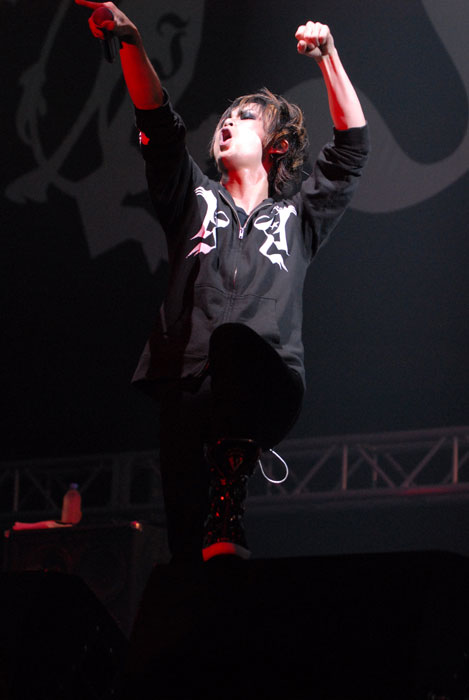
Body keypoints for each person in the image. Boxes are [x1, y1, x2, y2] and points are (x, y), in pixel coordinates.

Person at [75, 1, 369, 564]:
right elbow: (158, 123)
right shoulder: (192, 200)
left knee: (233, 341)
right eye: (225, 118)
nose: (228, 122)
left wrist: (329, 57)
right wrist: (132, 41)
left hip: (267, 382)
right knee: (189, 550)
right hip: (187, 385)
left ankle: (230, 498)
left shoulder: (298, 218)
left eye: (246, 117)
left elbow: (351, 149)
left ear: (277, 144)